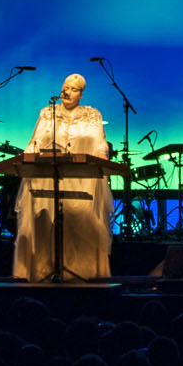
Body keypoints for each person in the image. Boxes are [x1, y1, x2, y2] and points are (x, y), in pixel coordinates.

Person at [15, 73, 112, 280]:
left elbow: (101, 142)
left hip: (82, 179)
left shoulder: (92, 114)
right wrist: (25, 156)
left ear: (81, 95)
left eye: (74, 89)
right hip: (48, 176)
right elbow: (34, 141)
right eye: (65, 87)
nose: (68, 92)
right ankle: (45, 271)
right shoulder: (47, 112)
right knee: (46, 224)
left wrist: (102, 154)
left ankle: (81, 274)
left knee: (80, 224)